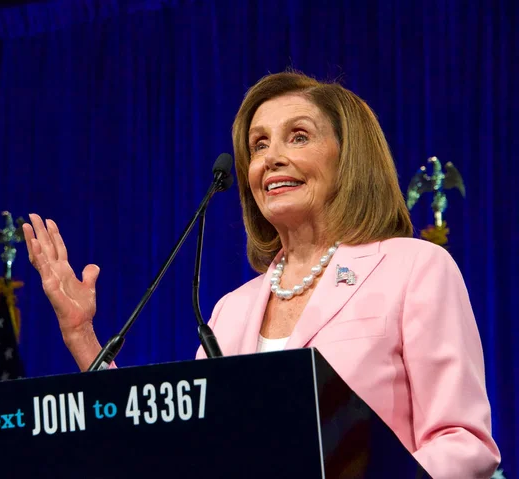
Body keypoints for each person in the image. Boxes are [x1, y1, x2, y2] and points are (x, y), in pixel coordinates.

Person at [24, 71, 500, 478]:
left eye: (299, 136)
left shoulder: (413, 267)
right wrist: (83, 334)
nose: (271, 157)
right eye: (258, 144)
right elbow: (175, 445)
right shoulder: (231, 311)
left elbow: (463, 443)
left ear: (348, 157)